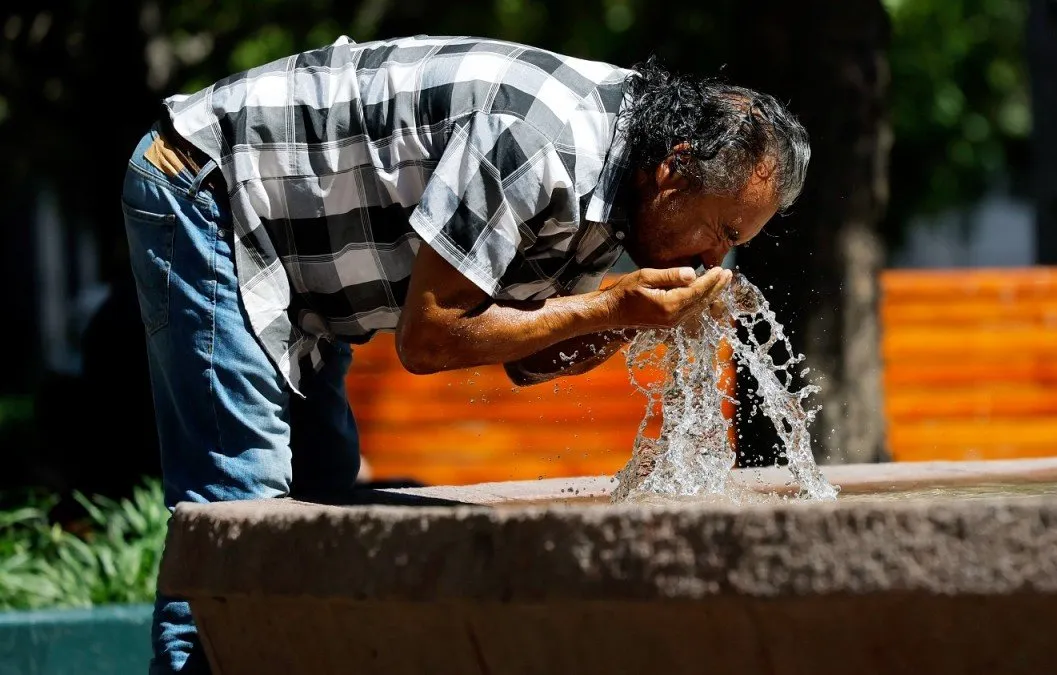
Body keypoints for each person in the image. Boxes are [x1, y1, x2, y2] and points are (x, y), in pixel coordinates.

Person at [121, 33, 810, 674]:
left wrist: (634, 322)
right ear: (674, 173)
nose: (716, 258)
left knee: (321, 495)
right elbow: (429, 337)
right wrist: (610, 308)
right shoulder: (540, 144)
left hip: (303, 261)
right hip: (214, 186)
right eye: (723, 231)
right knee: (239, 519)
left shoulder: (621, 188)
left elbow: (528, 355)